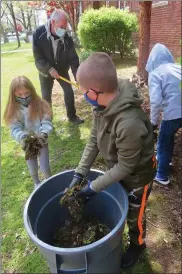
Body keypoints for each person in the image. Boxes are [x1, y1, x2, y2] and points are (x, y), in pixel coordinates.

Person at [69, 53, 156, 267]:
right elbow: (94, 140)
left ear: (93, 92)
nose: (83, 97)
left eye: (83, 92)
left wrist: (93, 188)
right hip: (121, 170)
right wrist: (79, 173)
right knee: (124, 204)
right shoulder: (102, 105)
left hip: (138, 177)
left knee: (135, 216)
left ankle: (138, 244)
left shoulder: (129, 123)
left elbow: (126, 166)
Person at [32, 9, 84, 125]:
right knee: (46, 97)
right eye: (62, 26)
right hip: (45, 71)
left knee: (69, 91)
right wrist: (49, 69)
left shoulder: (66, 37)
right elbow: (38, 58)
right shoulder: (38, 34)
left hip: (62, 69)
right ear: (53, 23)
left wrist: (78, 77)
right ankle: (47, 121)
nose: (64, 29)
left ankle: (72, 116)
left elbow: (73, 59)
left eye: (65, 27)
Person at [3, 76, 53, 188]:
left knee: (45, 166)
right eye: (19, 95)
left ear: (32, 91)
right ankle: (37, 184)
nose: (24, 97)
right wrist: (22, 137)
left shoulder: (41, 104)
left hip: (42, 140)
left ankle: (50, 183)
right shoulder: (13, 109)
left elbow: (47, 122)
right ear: (13, 95)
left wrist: (44, 133)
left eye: (27, 93)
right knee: (32, 167)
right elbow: (14, 128)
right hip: (27, 144)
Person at [146, 43, 182, 185]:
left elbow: (155, 102)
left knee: (163, 143)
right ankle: (168, 162)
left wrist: (153, 123)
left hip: (172, 114)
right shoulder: (179, 68)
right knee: (169, 136)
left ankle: (162, 176)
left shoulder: (155, 74)